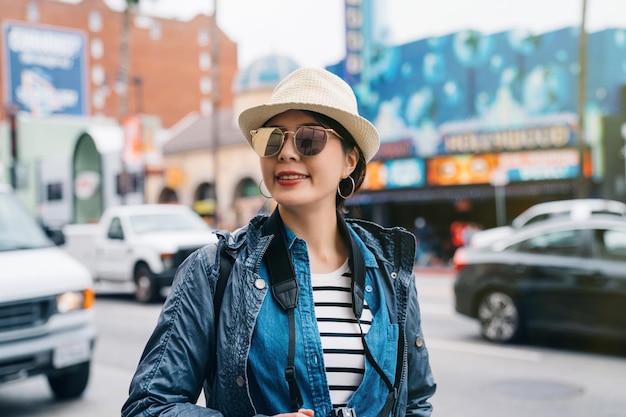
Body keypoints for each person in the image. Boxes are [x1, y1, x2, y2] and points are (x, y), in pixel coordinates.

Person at [122, 67, 436, 417]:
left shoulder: (390, 271)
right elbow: (148, 407)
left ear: (349, 160)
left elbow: (416, 402)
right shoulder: (213, 271)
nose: (286, 152)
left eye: (310, 138)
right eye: (272, 138)